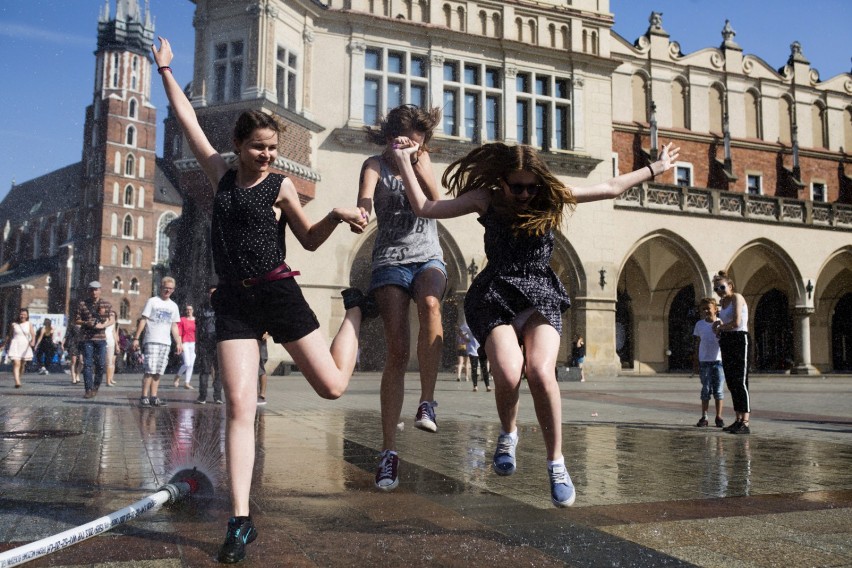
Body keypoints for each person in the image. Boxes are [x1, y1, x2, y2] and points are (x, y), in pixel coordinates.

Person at [153, 37, 371, 564]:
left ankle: (356, 309)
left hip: (278, 292)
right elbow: (187, 122)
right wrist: (165, 69)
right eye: (259, 147)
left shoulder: (281, 187)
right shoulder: (220, 176)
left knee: (334, 387)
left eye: (272, 148)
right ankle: (241, 520)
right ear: (238, 144)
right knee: (239, 407)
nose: (268, 154)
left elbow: (311, 241)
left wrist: (339, 217)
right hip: (232, 303)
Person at [390, 138, 679, 507]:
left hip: (540, 291)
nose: (525, 194)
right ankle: (508, 434)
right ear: (503, 181)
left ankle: (556, 462)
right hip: (495, 293)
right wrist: (402, 161)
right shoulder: (486, 198)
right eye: (517, 186)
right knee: (508, 374)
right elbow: (426, 207)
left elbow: (610, 187)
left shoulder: (550, 196)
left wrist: (655, 169)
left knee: (541, 372)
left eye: (530, 186)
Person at [357, 104, 446, 492]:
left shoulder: (424, 162)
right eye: (404, 133)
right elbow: (364, 200)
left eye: (417, 134)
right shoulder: (375, 165)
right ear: (391, 134)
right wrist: (358, 213)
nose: (411, 140)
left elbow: (437, 202)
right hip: (390, 258)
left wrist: (414, 163)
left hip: (428, 255)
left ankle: (427, 401)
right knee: (396, 350)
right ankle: (388, 452)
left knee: (430, 305)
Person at [131, 276, 183, 407]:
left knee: (158, 371)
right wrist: (136, 338)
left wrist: (178, 342)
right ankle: (144, 397)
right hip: (152, 340)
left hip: (165, 342)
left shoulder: (173, 306)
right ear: (161, 287)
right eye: (166, 288)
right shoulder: (152, 301)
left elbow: (174, 326)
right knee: (149, 370)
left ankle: (153, 397)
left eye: (171, 289)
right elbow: (143, 320)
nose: (168, 291)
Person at [712, 271, 751, 435]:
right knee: (732, 381)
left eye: (722, 287)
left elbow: (736, 322)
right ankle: (737, 419)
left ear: (730, 286)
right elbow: (726, 322)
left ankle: (745, 422)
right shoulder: (723, 302)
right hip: (727, 340)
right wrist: (718, 325)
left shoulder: (737, 298)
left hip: (739, 339)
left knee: (741, 381)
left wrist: (720, 327)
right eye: (716, 288)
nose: (719, 290)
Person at [75, 281, 114, 399]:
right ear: (89, 291)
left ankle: (96, 386)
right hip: (87, 338)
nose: (94, 292)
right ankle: (88, 389)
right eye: (92, 290)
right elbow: (76, 320)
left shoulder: (106, 304)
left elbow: (112, 319)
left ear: (100, 290)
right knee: (87, 365)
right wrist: (86, 322)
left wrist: (103, 326)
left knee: (101, 364)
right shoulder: (82, 304)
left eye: (96, 289)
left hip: (101, 338)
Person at [692, 297, 725, 428]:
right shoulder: (699, 324)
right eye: (703, 309)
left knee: (718, 391)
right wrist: (695, 361)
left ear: (715, 309)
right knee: (705, 390)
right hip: (704, 361)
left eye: (708, 308)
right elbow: (697, 343)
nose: (706, 311)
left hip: (718, 361)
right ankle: (704, 416)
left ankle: (719, 416)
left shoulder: (722, 323)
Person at [195, 286, 222, 405]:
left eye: (215, 293)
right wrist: (197, 343)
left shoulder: (222, 308)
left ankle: (218, 396)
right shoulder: (202, 308)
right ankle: (202, 396)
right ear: (208, 294)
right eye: (211, 293)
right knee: (204, 370)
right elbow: (197, 327)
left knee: (219, 371)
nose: (213, 295)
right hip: (205, 343)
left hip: (219, 342)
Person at [5, 308, 35, 388]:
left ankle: (19, 377)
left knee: (22, 364)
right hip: (15, 344)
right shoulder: (14, 324)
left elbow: (33, 334)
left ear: (27, 315)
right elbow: (9, 335)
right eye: (21, 314)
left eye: (24, 314)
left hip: (25, 345)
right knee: (16, 363)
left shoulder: (29, 324)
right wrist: (4, 344)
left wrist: (33, 341)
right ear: (19, 315)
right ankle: (17, 382)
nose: (22, 316)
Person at [173, 305, 197, 390]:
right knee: (187, 363)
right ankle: (177, 376)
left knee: (191, 365)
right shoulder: (182, 320)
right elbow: (179, 333)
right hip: (185, 343)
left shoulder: (196, 320)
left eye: (190, 309)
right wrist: (179, 344)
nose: (189, 311)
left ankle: (187, 383)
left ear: (193, 310)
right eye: (187, 309)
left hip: (194, 343)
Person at [105, 310, 120, 386]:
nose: (111, 315)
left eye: (113, 314)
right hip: (103, 341)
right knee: (102, 362)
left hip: (111, 343)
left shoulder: (113, 322)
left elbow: (114, 333)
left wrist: (117, 344)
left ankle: (108, 381)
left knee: (110, 362)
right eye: (110, 314)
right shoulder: (104, 320)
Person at [257, 333, 269, 405]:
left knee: (260, 370)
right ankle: (257, 394)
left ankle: (262, 395)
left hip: (261, 345)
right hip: (253, 343)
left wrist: (268, 334)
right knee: (256, 371)